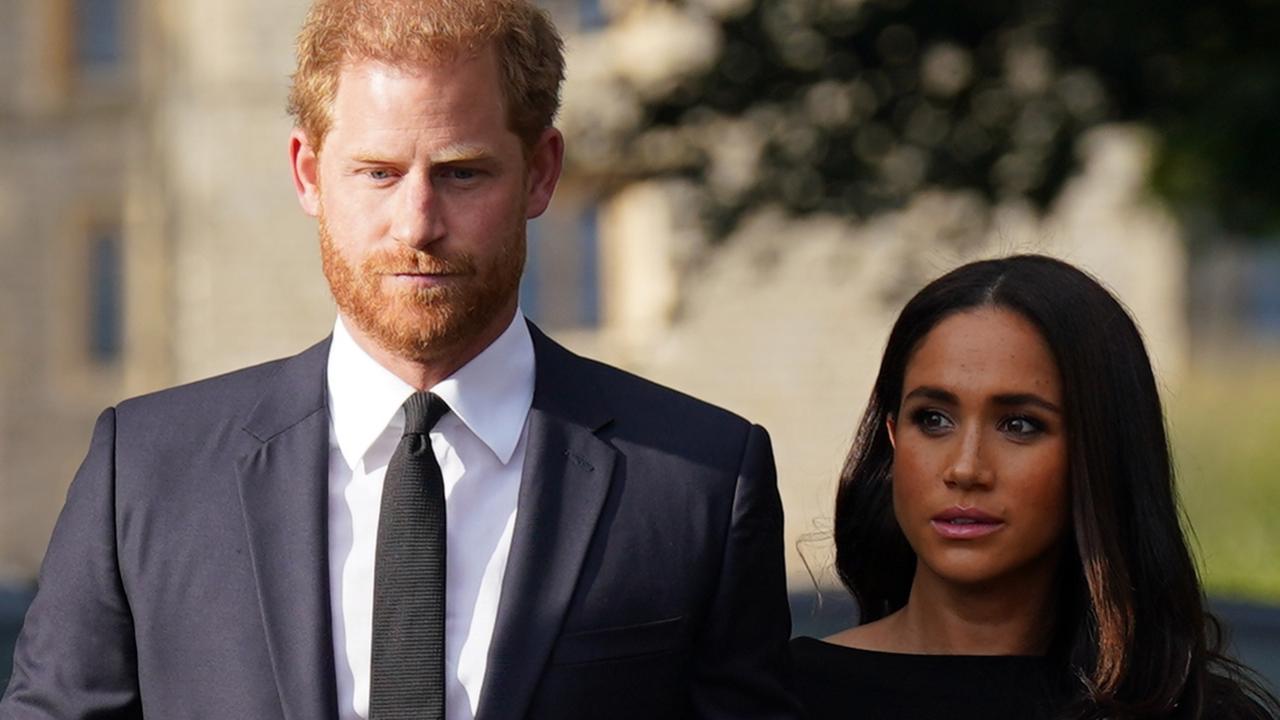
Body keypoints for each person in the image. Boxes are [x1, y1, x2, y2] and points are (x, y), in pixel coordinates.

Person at [0, 1, 798, 718]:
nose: (417, 224)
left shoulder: (700, 482)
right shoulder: (144, 471)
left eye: (462, 173)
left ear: (541, 172)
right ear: (309, 174)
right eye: (378, 173)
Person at [791, 255, 1280, 719]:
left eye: (1020, 425)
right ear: (893, 436)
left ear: (1100, 452)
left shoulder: (1194, 711)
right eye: (934, 419)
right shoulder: (778, 698)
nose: (965, 468)